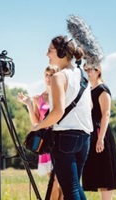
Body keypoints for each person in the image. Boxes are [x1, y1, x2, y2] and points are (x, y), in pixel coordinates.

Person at [30, 35, 93, 200]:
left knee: (70, 190)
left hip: (65, 138)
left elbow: (57, 112)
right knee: (75, 186)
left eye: (49, 50)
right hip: (84, 137)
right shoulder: (83, 75)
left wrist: (38, 125)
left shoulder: (59, 77)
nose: (46, 54)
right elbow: (90, 106)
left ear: (61, 52)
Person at [17, 65, 63, 200]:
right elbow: (36, 122)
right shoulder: (38, 98)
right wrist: (29, 105)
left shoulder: (61, 96)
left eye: (52, 75)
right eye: (46, 75)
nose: (48, 78)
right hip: (46, 142)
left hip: (60, 139)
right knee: (53, 181)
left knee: (62, 182)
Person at [82, 63, 116, 200]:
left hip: (101, 135)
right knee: (97, 175)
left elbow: (106, 114)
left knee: (106, 178)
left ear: (98, 71)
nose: (86, 72)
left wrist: (101, 139)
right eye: (85, 69)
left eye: (89, 69)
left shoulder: (103, 90)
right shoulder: (89, 89)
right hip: (92, 135)